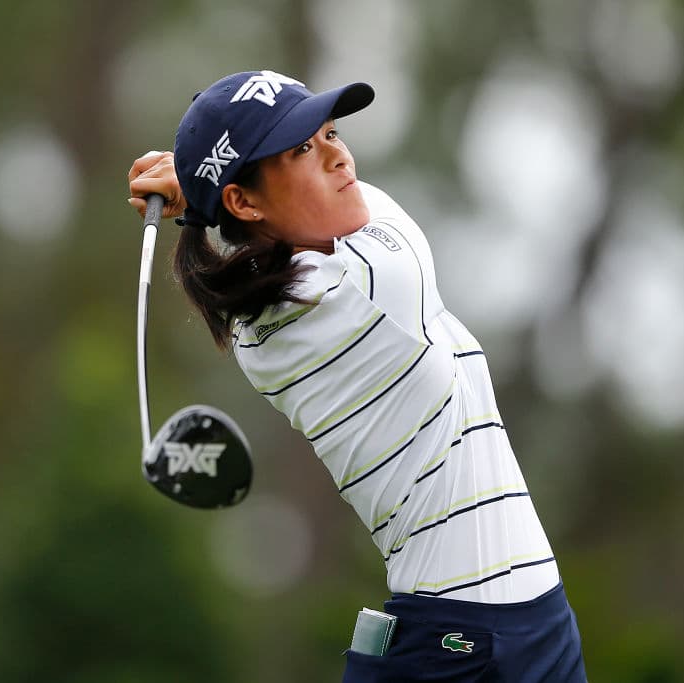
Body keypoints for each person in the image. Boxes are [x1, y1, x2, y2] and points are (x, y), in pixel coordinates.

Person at [128, 69, 587, 682]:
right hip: (471, 646)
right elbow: (375, 210)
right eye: (302, 150)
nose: (340, 157)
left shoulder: (252, 323)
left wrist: (204, 191)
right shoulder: (368, 284)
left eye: (331, 134)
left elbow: (299, 216)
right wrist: (197, 188)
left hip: (499, 628)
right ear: (244, 201)